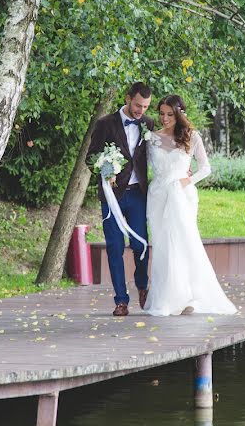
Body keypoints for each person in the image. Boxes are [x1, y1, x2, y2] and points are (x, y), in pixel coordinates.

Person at [143, 95, 237, 317]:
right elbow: (142, 167)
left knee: (183, 242)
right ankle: (166, 298)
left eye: (169, 114)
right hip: (157, 195)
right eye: (161, 114)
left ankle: (190, 296)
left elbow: (205, 168)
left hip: (181, 195)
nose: (164, 118)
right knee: (162, 244)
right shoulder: (152, 138)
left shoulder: (192, 137)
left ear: (179, 114)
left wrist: (186, 181)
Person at [87, 82, 154, 317]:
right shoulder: (105, 123)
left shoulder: (149, 124)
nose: (141, 110)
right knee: (115, 247)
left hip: (138, 194)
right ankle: (121, 300)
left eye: (145, 106)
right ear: (127, 99)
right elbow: (90, 157)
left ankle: (142, 286)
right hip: (112, 195)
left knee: (140, 244)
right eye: (138, 105)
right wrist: (107, 169)